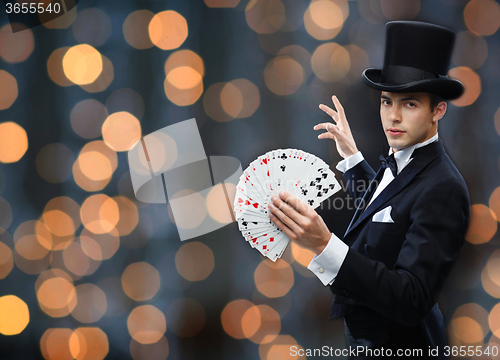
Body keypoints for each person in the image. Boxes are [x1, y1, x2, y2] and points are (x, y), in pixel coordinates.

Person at [267, 21, 470, 359]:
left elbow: (410, 300)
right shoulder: (399, 164)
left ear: (438, 110)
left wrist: (324, 244)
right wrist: (352, 159)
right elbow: (386, 214)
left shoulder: (444, 188)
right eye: (386, 102)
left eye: (409, 105)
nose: (393, 117)